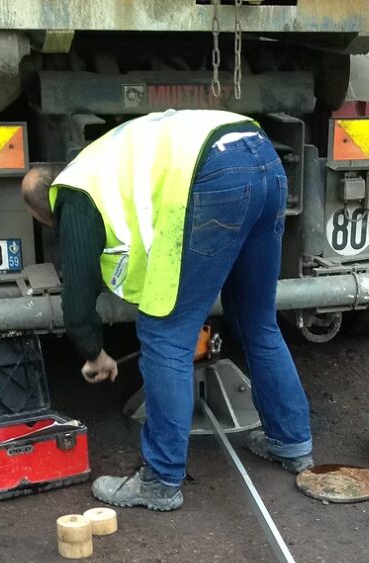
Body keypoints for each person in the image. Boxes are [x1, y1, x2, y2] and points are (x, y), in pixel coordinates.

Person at [21, 109, 313, 512]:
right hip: (261, 154)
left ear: (43, 212)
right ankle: (291, 441)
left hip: (214, 175)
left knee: (165, 336)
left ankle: (160, 480)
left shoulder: (73, 195)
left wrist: (94, 351)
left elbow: (79, 290)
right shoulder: (102, 160)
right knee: (258, 321)